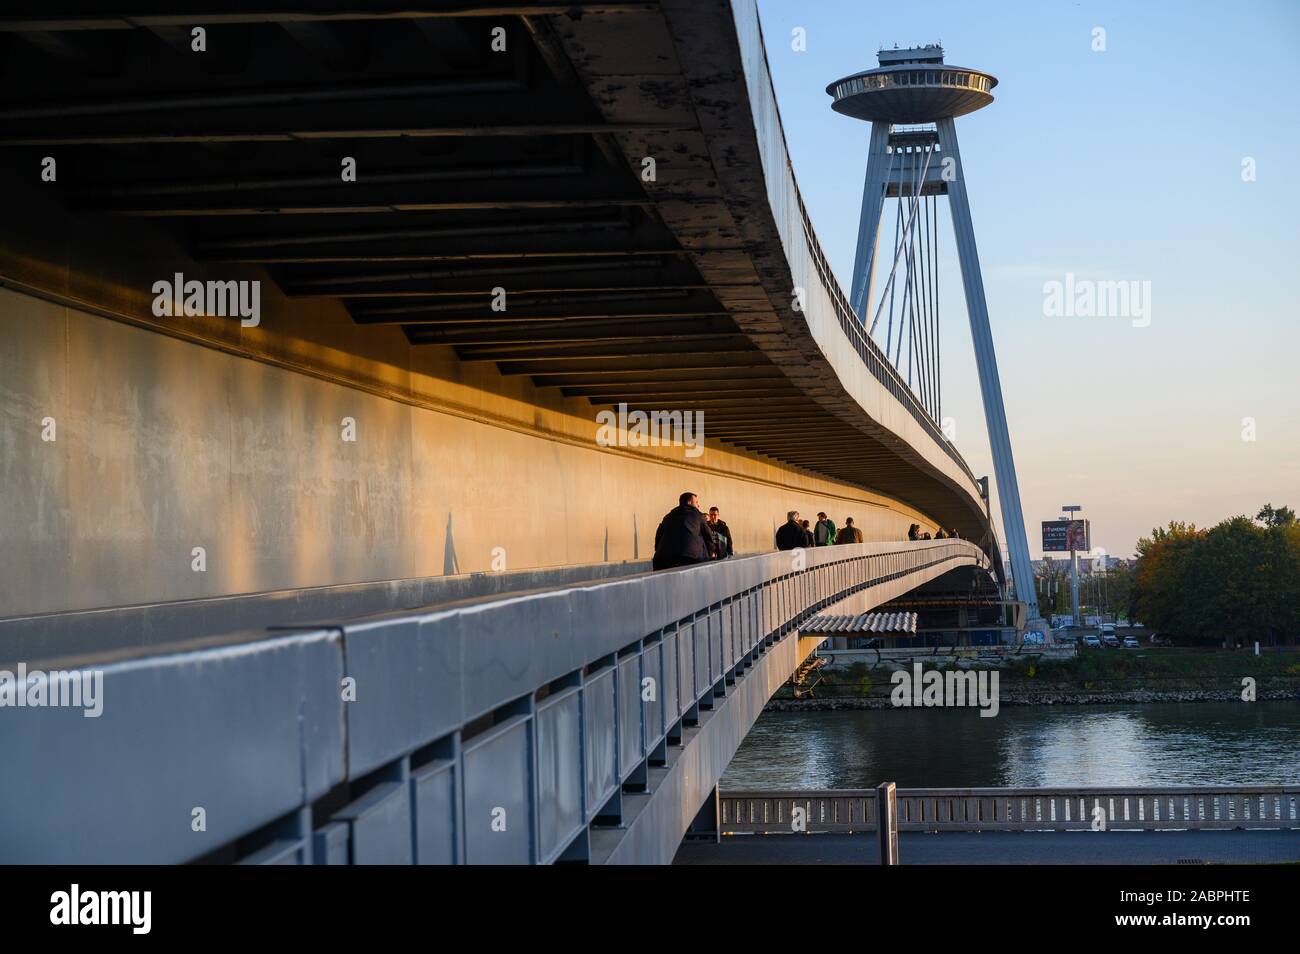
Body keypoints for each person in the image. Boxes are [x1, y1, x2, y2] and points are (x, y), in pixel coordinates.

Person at [652, 491, 716, 570]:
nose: (698, 505)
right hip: (691, 559)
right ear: (689, 502)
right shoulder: (698, 515)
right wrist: (711, 553)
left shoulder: (668, 516)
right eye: (696, 502)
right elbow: (708, 537)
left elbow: (658, 536)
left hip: (663, 560)